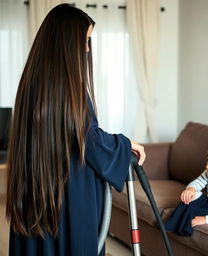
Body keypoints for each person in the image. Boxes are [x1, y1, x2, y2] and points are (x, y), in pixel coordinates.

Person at [6, 4, 146, 256]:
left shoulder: (32, 81)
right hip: (69, 191)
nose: (87, 48)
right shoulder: (70, 88)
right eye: (85, 40)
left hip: (39, 189)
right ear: (67, 41)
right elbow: (88, 138)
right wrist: (125, 144)